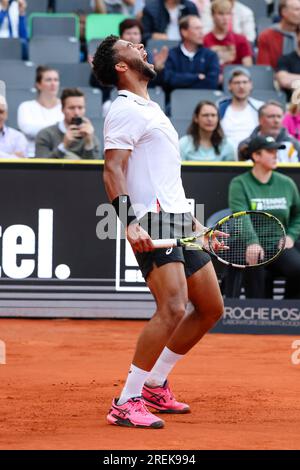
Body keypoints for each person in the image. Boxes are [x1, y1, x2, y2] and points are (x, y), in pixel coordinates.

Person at [92, 35, 225, 428]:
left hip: (176, 218)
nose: (142, 48)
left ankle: (154, 383)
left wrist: (198, 229)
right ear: (121, 65)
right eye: (132, 46)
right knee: (172, 308)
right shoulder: (125, 109)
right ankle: (126, 401)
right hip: (151, 221)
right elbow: (112, 170)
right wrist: (129, 221)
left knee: (211, 308)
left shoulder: (150, 108)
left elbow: (165, 181)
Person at [229, 135, 300, 299]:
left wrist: (291, 236)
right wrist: (252, 242)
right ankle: (257, 317)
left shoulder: (286, 183)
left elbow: (298, 214)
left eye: (276, 151)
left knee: (298, 269)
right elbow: (241, 216)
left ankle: (287, 311)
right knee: (254, 269)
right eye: (270, 151)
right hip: (251, 245)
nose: (275, 154)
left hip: (280, 244)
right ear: (256, 156)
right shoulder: (239, 183)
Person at [35, 88, 99, 159]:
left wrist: (89, 144)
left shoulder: (90, 136)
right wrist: (64, 146)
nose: (76, 113)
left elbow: (94, 169)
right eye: (71, 108)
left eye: (80, 108)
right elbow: (41, 167)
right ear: (62, 109)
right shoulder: (46, 134)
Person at [163, 15, 220, 91]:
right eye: (197, 28)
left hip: (204, 99)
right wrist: (197, 77)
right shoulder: (171, 54)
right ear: (184, 32)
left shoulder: (210, 55)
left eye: (201, 28)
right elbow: (169, 81)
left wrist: (182, 82)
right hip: (177, 100)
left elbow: (212, 83)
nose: (201, 32)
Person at [17, 66, 64, 158]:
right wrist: (58, 129)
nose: (53, 83)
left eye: (56, 80)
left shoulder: (66, 107)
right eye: (48, 80)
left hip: (61, 157)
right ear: (38, 84)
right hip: (31, 156)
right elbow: (28, 129)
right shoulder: (26, 106)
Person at [219, 67, 264, 154]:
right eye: (237, 83)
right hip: (225, 156)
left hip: (254, 154)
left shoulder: (260, 107)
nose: (241, 86)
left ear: (251, 85)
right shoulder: (220, 107)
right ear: (229, 86)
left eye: (245, 82)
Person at [203, 0, 253, 71]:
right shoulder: (205, 40)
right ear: (212, 15)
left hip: (235, 79)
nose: (225, 18)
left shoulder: (241, 39)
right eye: (221, 14)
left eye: (228, 14)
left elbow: (248, 68)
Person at [257, 0, 300, 69]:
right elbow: (264, 68)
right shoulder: (267, 36)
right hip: (275, 77)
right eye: (297, 9)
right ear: (284, 12)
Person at [276, 26, 300, 99]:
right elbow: (284, 81)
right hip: (293, 104)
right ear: (297, 35)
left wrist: (294, 78)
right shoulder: (285, 59)